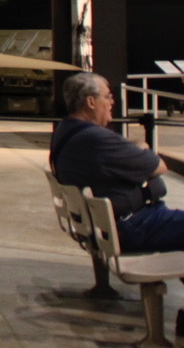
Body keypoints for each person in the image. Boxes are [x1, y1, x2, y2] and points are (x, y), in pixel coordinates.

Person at [51, 71, 184, 253]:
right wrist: (141, 148)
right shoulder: (96, 139)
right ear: (91, 102)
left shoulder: (66, 129)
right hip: (136, 226)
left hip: (113, 224)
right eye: (107, 97)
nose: (112, 102)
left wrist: (135, 149)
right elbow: (159, 166)